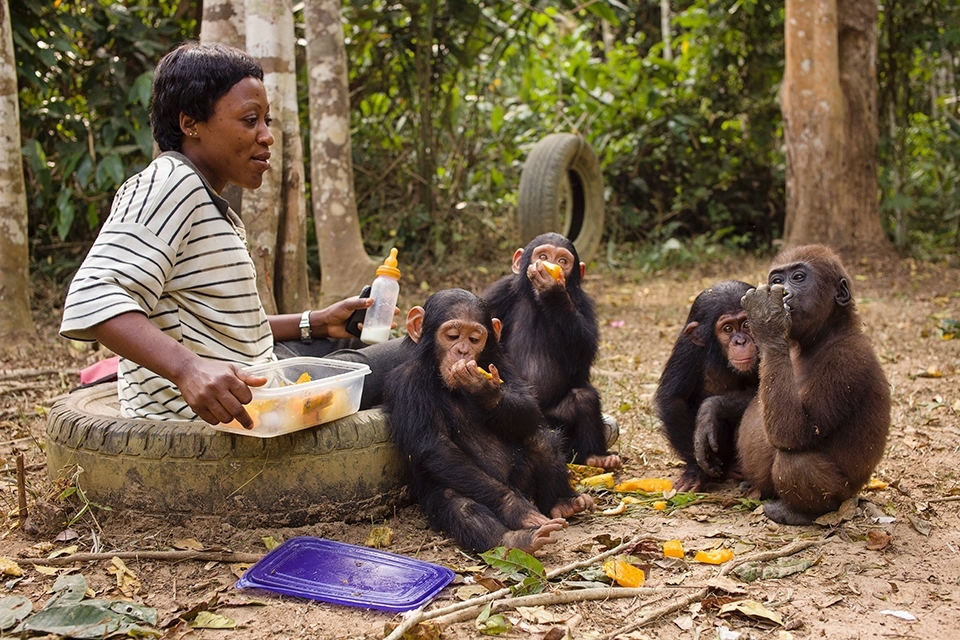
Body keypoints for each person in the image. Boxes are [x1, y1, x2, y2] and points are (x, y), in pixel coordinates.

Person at [60, 42, 402, 428]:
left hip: (251, 382)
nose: (266, 136)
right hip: (223, 412)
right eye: (249, 120)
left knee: (351, 341)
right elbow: (93, 294)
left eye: (267, 121)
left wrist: (315, 322)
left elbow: (224, 324)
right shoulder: (171, 184)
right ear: (190, 123)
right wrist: (188, 369)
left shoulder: (203, 198)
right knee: (424, 350)